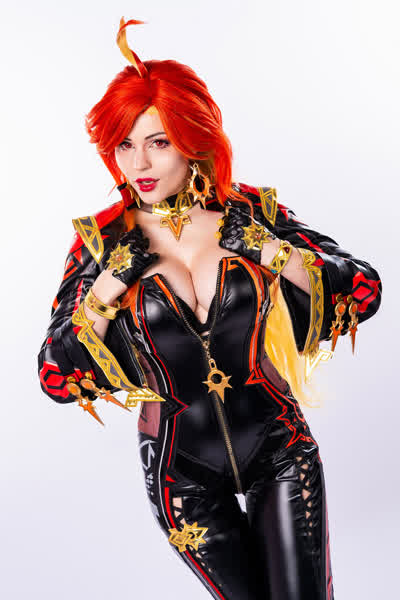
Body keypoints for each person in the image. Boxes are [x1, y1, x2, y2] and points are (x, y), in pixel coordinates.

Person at [37, 17, 382, 600]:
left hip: (279, 448)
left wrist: (270, 250)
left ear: (192, 138)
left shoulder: (250, 213)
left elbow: (364, 288)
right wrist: (107, 286)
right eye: (124, 145)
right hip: (182, 473)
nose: (139, 165)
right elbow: (54, 373)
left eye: (157, 142)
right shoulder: (102, 243)